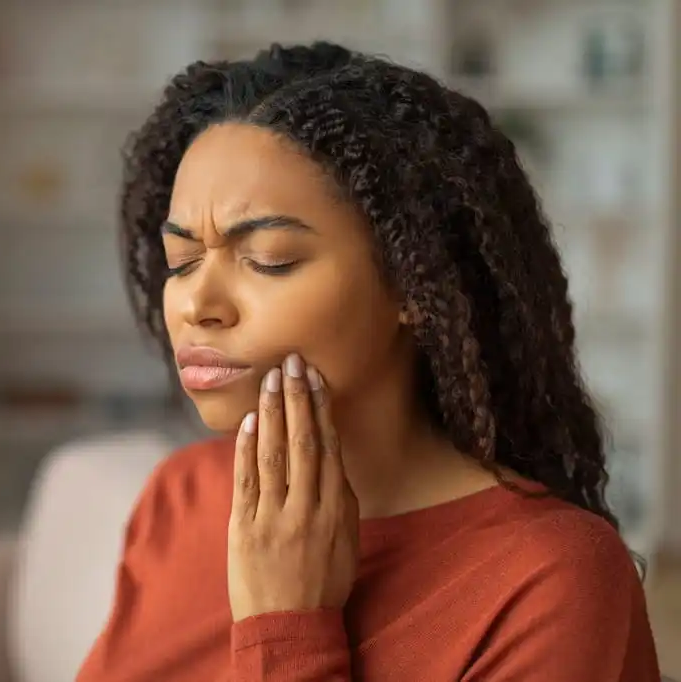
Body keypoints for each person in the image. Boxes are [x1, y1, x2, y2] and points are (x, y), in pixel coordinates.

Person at [75, 42, 661, 681]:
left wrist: (287, 624)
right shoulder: (180, 496)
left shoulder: (551, 576)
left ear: (413, 284)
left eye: (270, 259)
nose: (197, 304)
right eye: (181, 262)